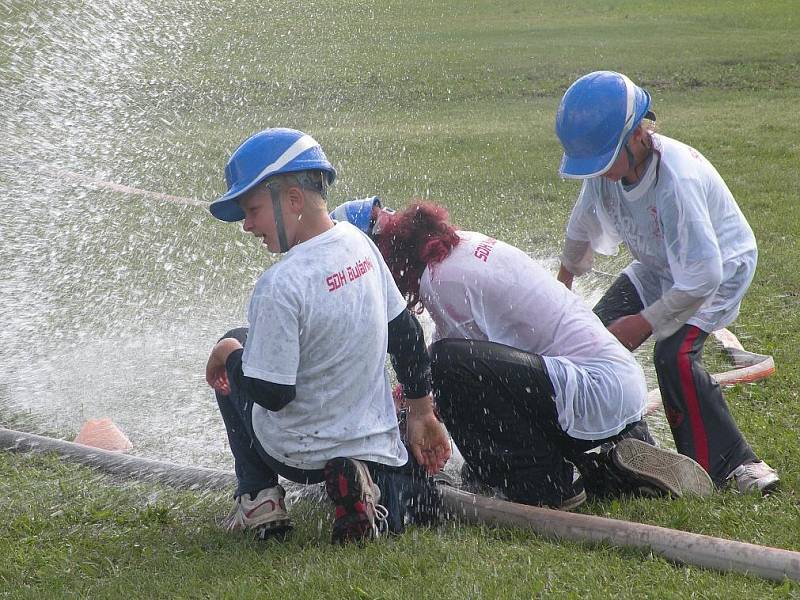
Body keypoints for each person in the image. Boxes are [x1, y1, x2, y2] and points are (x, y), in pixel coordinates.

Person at [336, 199, 714, 510]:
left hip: (592, 391)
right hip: (612, 386)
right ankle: (611, 460)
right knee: (450, 365)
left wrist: (416, 406)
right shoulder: (454, 250)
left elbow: (469, 377)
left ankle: (545, 482)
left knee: (446, 367)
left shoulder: (440, 282)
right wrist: (412, 396)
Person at [204, 128, 451, 544]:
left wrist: (228, 355)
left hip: (299, 454)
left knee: (236, 340)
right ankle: (362, 483)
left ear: (293, 201)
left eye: (253, 210)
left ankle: (259, 499)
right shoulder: (359, 243)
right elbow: (406, 335)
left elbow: (272, 394)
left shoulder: (280, 284)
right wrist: (423, 412)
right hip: (374, 442)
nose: (247, 226)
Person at [554, 70, 779, 494]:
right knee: (591, 342)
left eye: (603, 160)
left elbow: (702, 275)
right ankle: (629, 449)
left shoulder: (677, 181)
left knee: (672, 355)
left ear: (637, 136)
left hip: (717, 271)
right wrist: (561, 289)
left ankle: (738, 467)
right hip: (660, 264)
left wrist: (643, 323)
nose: (599, 173)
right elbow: (580, 230)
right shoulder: (608, 174)